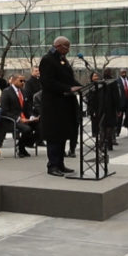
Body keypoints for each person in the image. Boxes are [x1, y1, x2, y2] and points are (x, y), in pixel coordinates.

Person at [39, 37, 81, 177]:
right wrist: (68, 88)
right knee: (54, 135)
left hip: (65, 103)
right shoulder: (48, 60)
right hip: (53, 105)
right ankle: (52, 165)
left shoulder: (62, 60)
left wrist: (79, 86)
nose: (68, 49)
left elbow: (68, 79)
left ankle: (60, 164)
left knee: (63, 134)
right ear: (57, 45)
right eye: (66, 46)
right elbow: (48, 82)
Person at [0, 73, 37, 157]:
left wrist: (31, 117)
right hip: (11, 120)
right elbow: (5, 111)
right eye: (21, 81)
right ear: (14, 81)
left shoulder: (23, 92)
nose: (23, 83)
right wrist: (19, 119)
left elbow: (27, 108)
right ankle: (21, 148)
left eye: (24, 81)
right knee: (27, 129)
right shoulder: (6, 92)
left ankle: (21, 145)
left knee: (40, 126)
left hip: (24, 117)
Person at [117, 68, 128, 136]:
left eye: (125, 72)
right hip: (121, 103)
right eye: (122, 72)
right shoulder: (117, 81)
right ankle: (117, 132)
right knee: (119, 118)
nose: (124, 74)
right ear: (120, 73)